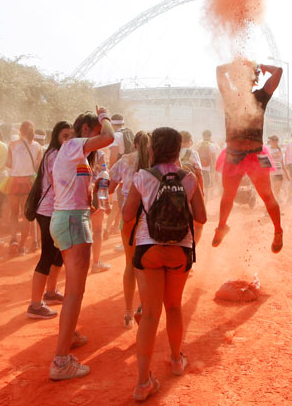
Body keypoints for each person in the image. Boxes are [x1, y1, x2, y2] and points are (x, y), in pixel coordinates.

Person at [122, 127, 207, 401]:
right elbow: (202, 218)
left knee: (149, 314)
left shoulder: (143, 176)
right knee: (173, 307)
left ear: (152, 149)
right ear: (178, 150)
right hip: (179, 250)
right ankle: (175, 360)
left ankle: (142, 381)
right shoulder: (188, 177)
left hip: (148, 248)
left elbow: (126, 215)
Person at [48, 108, 114, 381]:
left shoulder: (73, 153)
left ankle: (69, 335)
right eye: (94, 133)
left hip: (68, 218)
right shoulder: (74, 145)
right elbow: (110, 136)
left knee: (74, 290)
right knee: (75, 292)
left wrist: (92, 194)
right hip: (73, 222)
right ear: (86, 129)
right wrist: (106, 117)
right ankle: (61, 362)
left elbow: (75, 189)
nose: (98, 139)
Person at [212, 60, 283, 253]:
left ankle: (278, 231)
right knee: (227, 196)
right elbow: (219, 69)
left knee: (267, 196)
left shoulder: (261, 96)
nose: (242, 80)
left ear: (254, 80)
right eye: (239, 76)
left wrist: (259, 65)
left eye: (247, 77)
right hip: (233, 154)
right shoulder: (229, 97)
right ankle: (221, 227)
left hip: (257, 154)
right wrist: (236, 63)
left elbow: (279, 71)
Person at [27, 121, 73, 319]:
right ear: (56, 136)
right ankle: (35, 305)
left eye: (71, 136)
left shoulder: (58, 153)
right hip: (48, 210)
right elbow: (57, 185)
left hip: (55, 210)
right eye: (65, 136)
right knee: (47, 254)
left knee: (56, 253)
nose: (68, 140)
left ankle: (51, 292)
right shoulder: (55, 155)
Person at [110, 131, 151, 327]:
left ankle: (127, 314)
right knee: (148, 267)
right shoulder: (156, 161)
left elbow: (108, 187)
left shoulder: (125, 160)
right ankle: (143, 306)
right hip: (151, 221)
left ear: (134, 144)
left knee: (130, 264)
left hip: (128, 219)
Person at [5, 121, 42, 254]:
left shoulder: (12, 144)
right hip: (29, 182)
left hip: (14, 181)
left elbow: (8, 163)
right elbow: (38, 166)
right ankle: (21, 246)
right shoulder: (37, 146)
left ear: (21, 131)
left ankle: (14, 239)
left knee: (14, 214)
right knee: (27, 216)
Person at [89, 148, 111, 273]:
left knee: (79, 230)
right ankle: (95, 263)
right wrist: (106, 203)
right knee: (97, 231)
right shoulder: (100, 155)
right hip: (95, 195)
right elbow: (103, 179)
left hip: (78, 195)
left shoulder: (76, 151)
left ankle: (75, 261)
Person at [195, 129, 219, 202]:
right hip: (209, 166)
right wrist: (216, 169)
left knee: (199, 184)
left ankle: (201, 197)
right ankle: (209, 196)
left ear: (203, 136)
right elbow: (215, 158)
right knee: (210, 181)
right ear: (210, 136)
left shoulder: (198, 144)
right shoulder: (213, 144)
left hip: (199, 167)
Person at [267, 135, 288, 203]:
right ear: (270, 141)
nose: (275, 141)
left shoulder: (279, 150)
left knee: (277, 189)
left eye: (276, 140)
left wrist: (286, 174)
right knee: (273, 189)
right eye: (273, 140)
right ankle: (273, 202)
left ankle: (276, 200)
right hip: (271, 173)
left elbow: (282, 162)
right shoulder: (268, 150)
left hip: (279, 172)